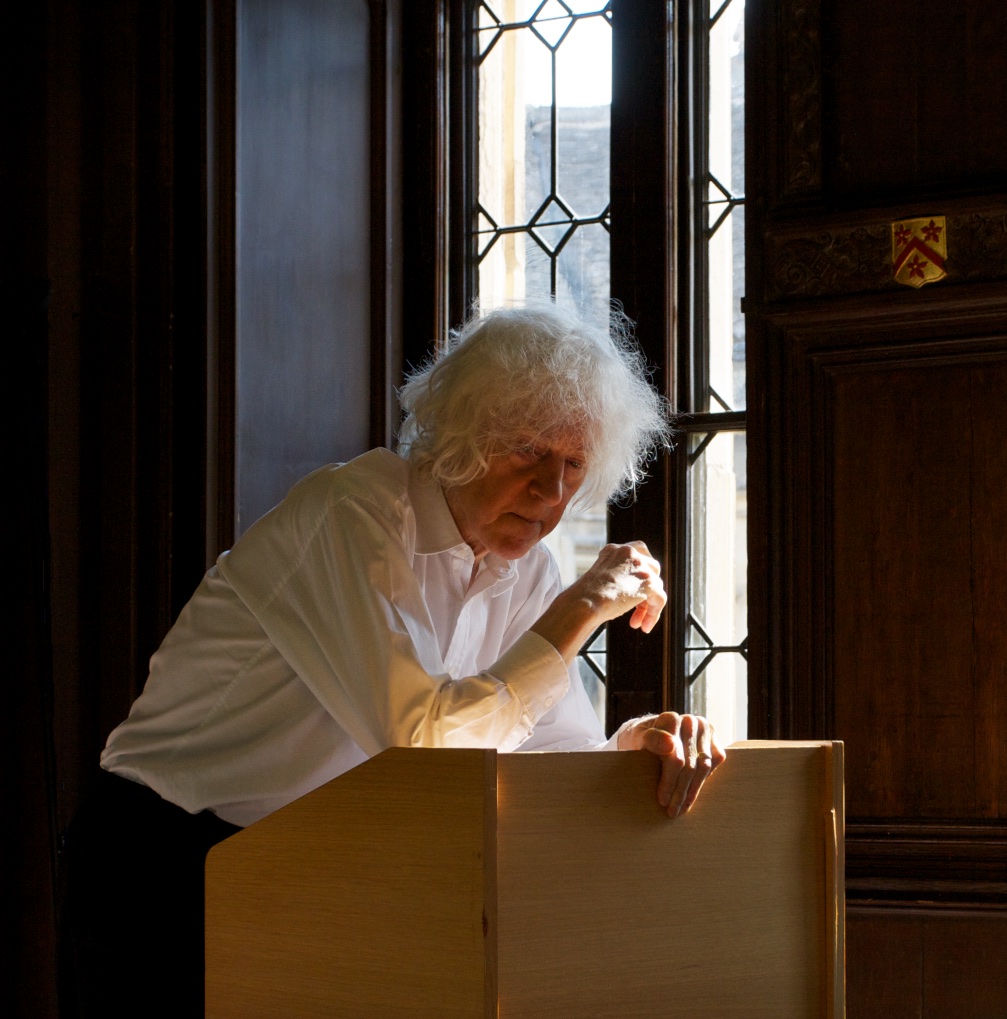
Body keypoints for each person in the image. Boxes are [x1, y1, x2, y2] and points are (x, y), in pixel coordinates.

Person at [65, 301, 725, 1017]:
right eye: (530, 450)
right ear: (465, 434)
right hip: (163, 855)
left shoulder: (527, 570)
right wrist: (579, 609)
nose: (551, 491)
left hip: (313, 861)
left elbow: (536, 751)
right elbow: (421, 743)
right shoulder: (349, 513)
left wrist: (631, 749)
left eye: (573, 464)